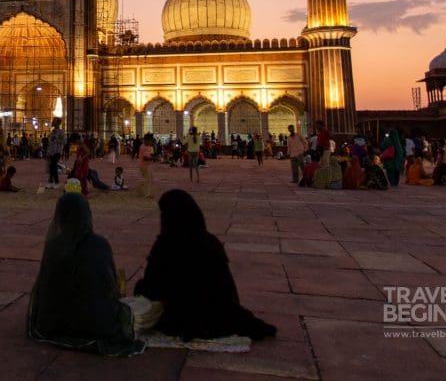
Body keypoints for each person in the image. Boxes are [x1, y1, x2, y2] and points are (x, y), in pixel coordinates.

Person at [134, 189, 276, 341]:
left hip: (187, 315)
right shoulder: (210, 241)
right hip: (219, 311)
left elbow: (154, 288)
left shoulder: (168, 245)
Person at [26, 193, 145, 357]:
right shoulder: (98, 244)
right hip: (94, 324)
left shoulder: (53, 246)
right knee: (131, 310)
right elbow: (109, 286)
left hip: (55, 323)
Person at [46, 117, 66, 190]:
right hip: (51, 151)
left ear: (58, 123)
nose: (52, 122)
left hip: (57, 151)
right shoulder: (52, 132)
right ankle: (51, 182)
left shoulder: (61, 132)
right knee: (51, 167)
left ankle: (56, 182)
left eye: (54, 121)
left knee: (53, 165)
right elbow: (50, 142)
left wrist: (56, 139)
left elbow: (64, 141)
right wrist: (48, 151)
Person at [138, 133, 155, 198]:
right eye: (150, 140)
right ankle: (146, 193)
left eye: (151, 141)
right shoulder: (143, 147)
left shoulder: (149, 146)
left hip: (147, 165)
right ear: (146, 140)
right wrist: (155, 158)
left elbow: (151, 154)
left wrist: (154, 156)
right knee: (147, 180)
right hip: (144, 165)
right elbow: (146, 158)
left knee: (149, 178)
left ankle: (143, 190)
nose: (151, 142)